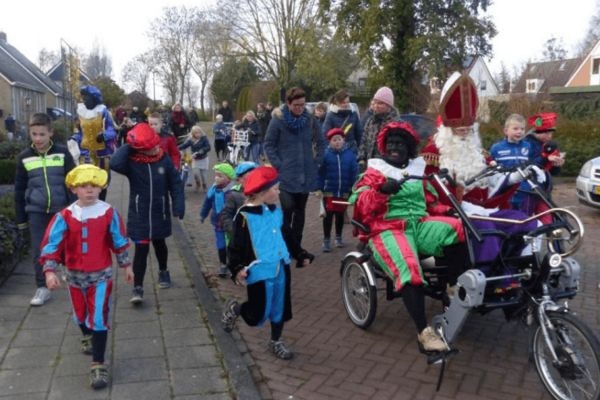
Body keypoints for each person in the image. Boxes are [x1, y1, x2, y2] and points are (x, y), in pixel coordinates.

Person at [350, 121, 464, 352]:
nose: (394, 146)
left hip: (419, 224)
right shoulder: (374, 172)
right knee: (410, 269)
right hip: (387, 228)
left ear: (409, 147)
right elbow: (359, 205)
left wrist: (446, 211)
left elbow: (430, 202)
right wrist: (380, 191)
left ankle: (453, 287)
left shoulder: (417, 170)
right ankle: (424, 333)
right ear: (383, 146)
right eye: (391, 142)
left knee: (457, 228)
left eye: (400, 143)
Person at [421, 72, 538, 266]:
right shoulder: (433, 153)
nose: (465, 130)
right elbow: (430, 195)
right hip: (457, 214)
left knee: (526, 223)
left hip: (487, 210)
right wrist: (462, 206)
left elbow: (495, 180)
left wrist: (516, 177)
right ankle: (483, 280)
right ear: (446, 128)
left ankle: (516, 270)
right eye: (459, 127)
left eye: (468, 126)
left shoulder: (479, 152)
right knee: (488, 231)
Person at [39, 164, 133, 389]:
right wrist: (50, 270)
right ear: (74, 189)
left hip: (101, 275)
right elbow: (52, 242)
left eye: (94, 186)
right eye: (83, 186)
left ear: (101, 188)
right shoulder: (66, 215)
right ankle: (87, 334)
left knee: (99, 317)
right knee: (80, 316)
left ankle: (98, 364)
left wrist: (126, 265)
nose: (89, 190)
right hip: (73, 276)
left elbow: (118, 240)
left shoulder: (108, 212)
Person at [220, 166, 295, 360]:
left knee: (279, 309)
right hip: (259, 270)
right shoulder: (245, 216)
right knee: (257, 314)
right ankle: (235, 309)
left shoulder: (275, 211)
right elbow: (236, 245)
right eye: (276, 188)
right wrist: (236, 268)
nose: (278, 192)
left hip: (280, 267)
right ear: (263, 191)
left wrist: (300, 253)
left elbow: (286, 234)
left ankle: (276, 341)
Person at [110, 123, 185, 303]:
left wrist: (178, 205)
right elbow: (114, 163)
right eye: (149, 148)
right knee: (141, 251)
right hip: (140, 214)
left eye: (155, 145)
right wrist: (131, 143)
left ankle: (163, 270)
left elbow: (175, 184)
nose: (154, 150)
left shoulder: (164, 159)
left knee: (160, 245)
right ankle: (138, 287)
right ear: (140, 150)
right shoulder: (132, 162)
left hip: (160, 212)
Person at [14, 113, 76, 306]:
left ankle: (70, 272)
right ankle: (42, 287)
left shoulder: (62, 153)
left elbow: (73, 181)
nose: (38, 138)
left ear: (51, 133)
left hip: (61, 209)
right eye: (34, 134)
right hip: (36, 211)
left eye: (42, 134)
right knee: (39, 249)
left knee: (66, 244)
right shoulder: (24, 158)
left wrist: (75, 208)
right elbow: (19, 189)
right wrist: (21, 219)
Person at [263, 87, 327, 268]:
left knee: (300, 213)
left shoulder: (310, 120)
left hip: (306, 173)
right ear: (288, 103)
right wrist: (278, 165)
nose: (301, 108)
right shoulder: (278, 120)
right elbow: (269, 144)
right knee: (287, 209)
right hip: (286, 174)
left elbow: (320, 142)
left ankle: (296, 249)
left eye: (303, 105)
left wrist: (317, 162)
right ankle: (285, 246)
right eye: (297, 105)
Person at [317, 128, 358, 252]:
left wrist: (353, 187)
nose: (337, 142)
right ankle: (326, 239)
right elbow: (320, 173)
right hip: (329, 191)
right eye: (334, 140)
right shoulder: (325, 155)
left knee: (340, 215)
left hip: (344, 191)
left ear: (343, 140)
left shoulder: (350, 155)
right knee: (328, 216)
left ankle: (339, 237)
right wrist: (319, 187)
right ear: (329, 141)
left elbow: (354, 172)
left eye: (339, 139)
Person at [76, 85, 118, 201]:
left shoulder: (103, 112)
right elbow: (78, 132)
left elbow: (112, 130)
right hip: (86, 154)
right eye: (83, 97)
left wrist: (104, 136)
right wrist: (74, 139)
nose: (84, 100)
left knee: (102, 180)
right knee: (87, 181)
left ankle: (102, 203)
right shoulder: (80, 113)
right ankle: (88, 203)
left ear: (94, 98)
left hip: (102, 153)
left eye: (86, 97)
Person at [200, 163, 237, 277]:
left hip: (231, 222)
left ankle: (233, 264)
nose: (216, 178)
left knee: (232, 243)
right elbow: (207, 203)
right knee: (220, 244)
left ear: (228, 178)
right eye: (216, 175)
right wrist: (203, 215)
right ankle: (223, 264)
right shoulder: (213, 190)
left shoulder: (233, 192)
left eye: (220, 176)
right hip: (218, 223)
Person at [357, 86, 399, 168]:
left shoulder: (396, 124)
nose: (376, 106)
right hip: (369, 167)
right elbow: (363, 141)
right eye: (375, 102)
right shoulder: (370, 121)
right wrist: (361, 159)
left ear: (388, 105)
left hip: (387, 168)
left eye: (380, 103)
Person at [220, 161, 257, 236]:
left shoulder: (262, 193)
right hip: (240, 237)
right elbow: (225, 216)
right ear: (240, 179)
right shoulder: (233, 195)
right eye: (248, 179)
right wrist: (235, 231)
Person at [321, 89, 362, 154]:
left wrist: (361, 152)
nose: (346, 104)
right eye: (343, 102)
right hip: (336, 150)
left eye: (348, 102)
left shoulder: (353, 114)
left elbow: (359, 134)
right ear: (337, 102)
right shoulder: (331, 115)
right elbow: (325, 135)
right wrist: (329, 151)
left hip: (352, 150)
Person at [178, 125, 211, 191]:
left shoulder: (204, 138)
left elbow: (208, 147)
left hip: (203, 159)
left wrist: (201, 151)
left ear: (201, 132)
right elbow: (184, 145)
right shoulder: (191, 140)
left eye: (199, 132)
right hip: (195, 159)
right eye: (196, 133)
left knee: (203, 176)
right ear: (193, 133)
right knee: (195, 173)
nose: (198, 134)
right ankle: (198, 184)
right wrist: (175, 148)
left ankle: (204, 185)